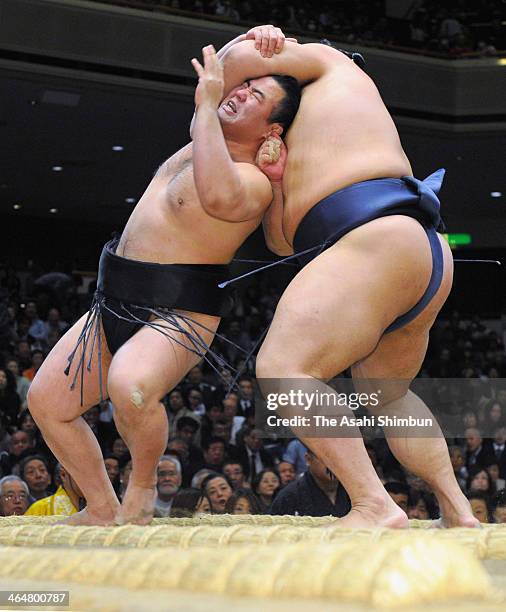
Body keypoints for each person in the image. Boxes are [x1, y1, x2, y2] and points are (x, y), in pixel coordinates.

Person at [27, 31, 301, 526]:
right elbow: (221, 65)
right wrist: (260, 39)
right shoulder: (203, 136)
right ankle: (100, 504)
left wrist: (213, 105)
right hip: (112, 301)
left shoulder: (254, 183)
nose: (238, 92)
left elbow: (216, 196)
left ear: (273, 131)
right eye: (242, 88)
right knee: (46, 402)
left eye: (255, 96)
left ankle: (145, 483)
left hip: (178, 312)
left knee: (130, 385)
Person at [220, 24, 480, 527]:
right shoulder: (292, 135)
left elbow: (224, 70)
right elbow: (282, 243)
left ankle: (372, 502)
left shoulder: (332, 64)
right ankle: (458, 508)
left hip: (378, 238)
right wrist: (275, 183)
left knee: (283, 369)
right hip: (417, 249)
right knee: (387, 394)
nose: (250, 86)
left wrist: (257, 38)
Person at [269, 448, 351, 517]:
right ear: (308, 459)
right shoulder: (289, 496)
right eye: (327, 457)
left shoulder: (356, 491)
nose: (334, 463)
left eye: (340, 457)